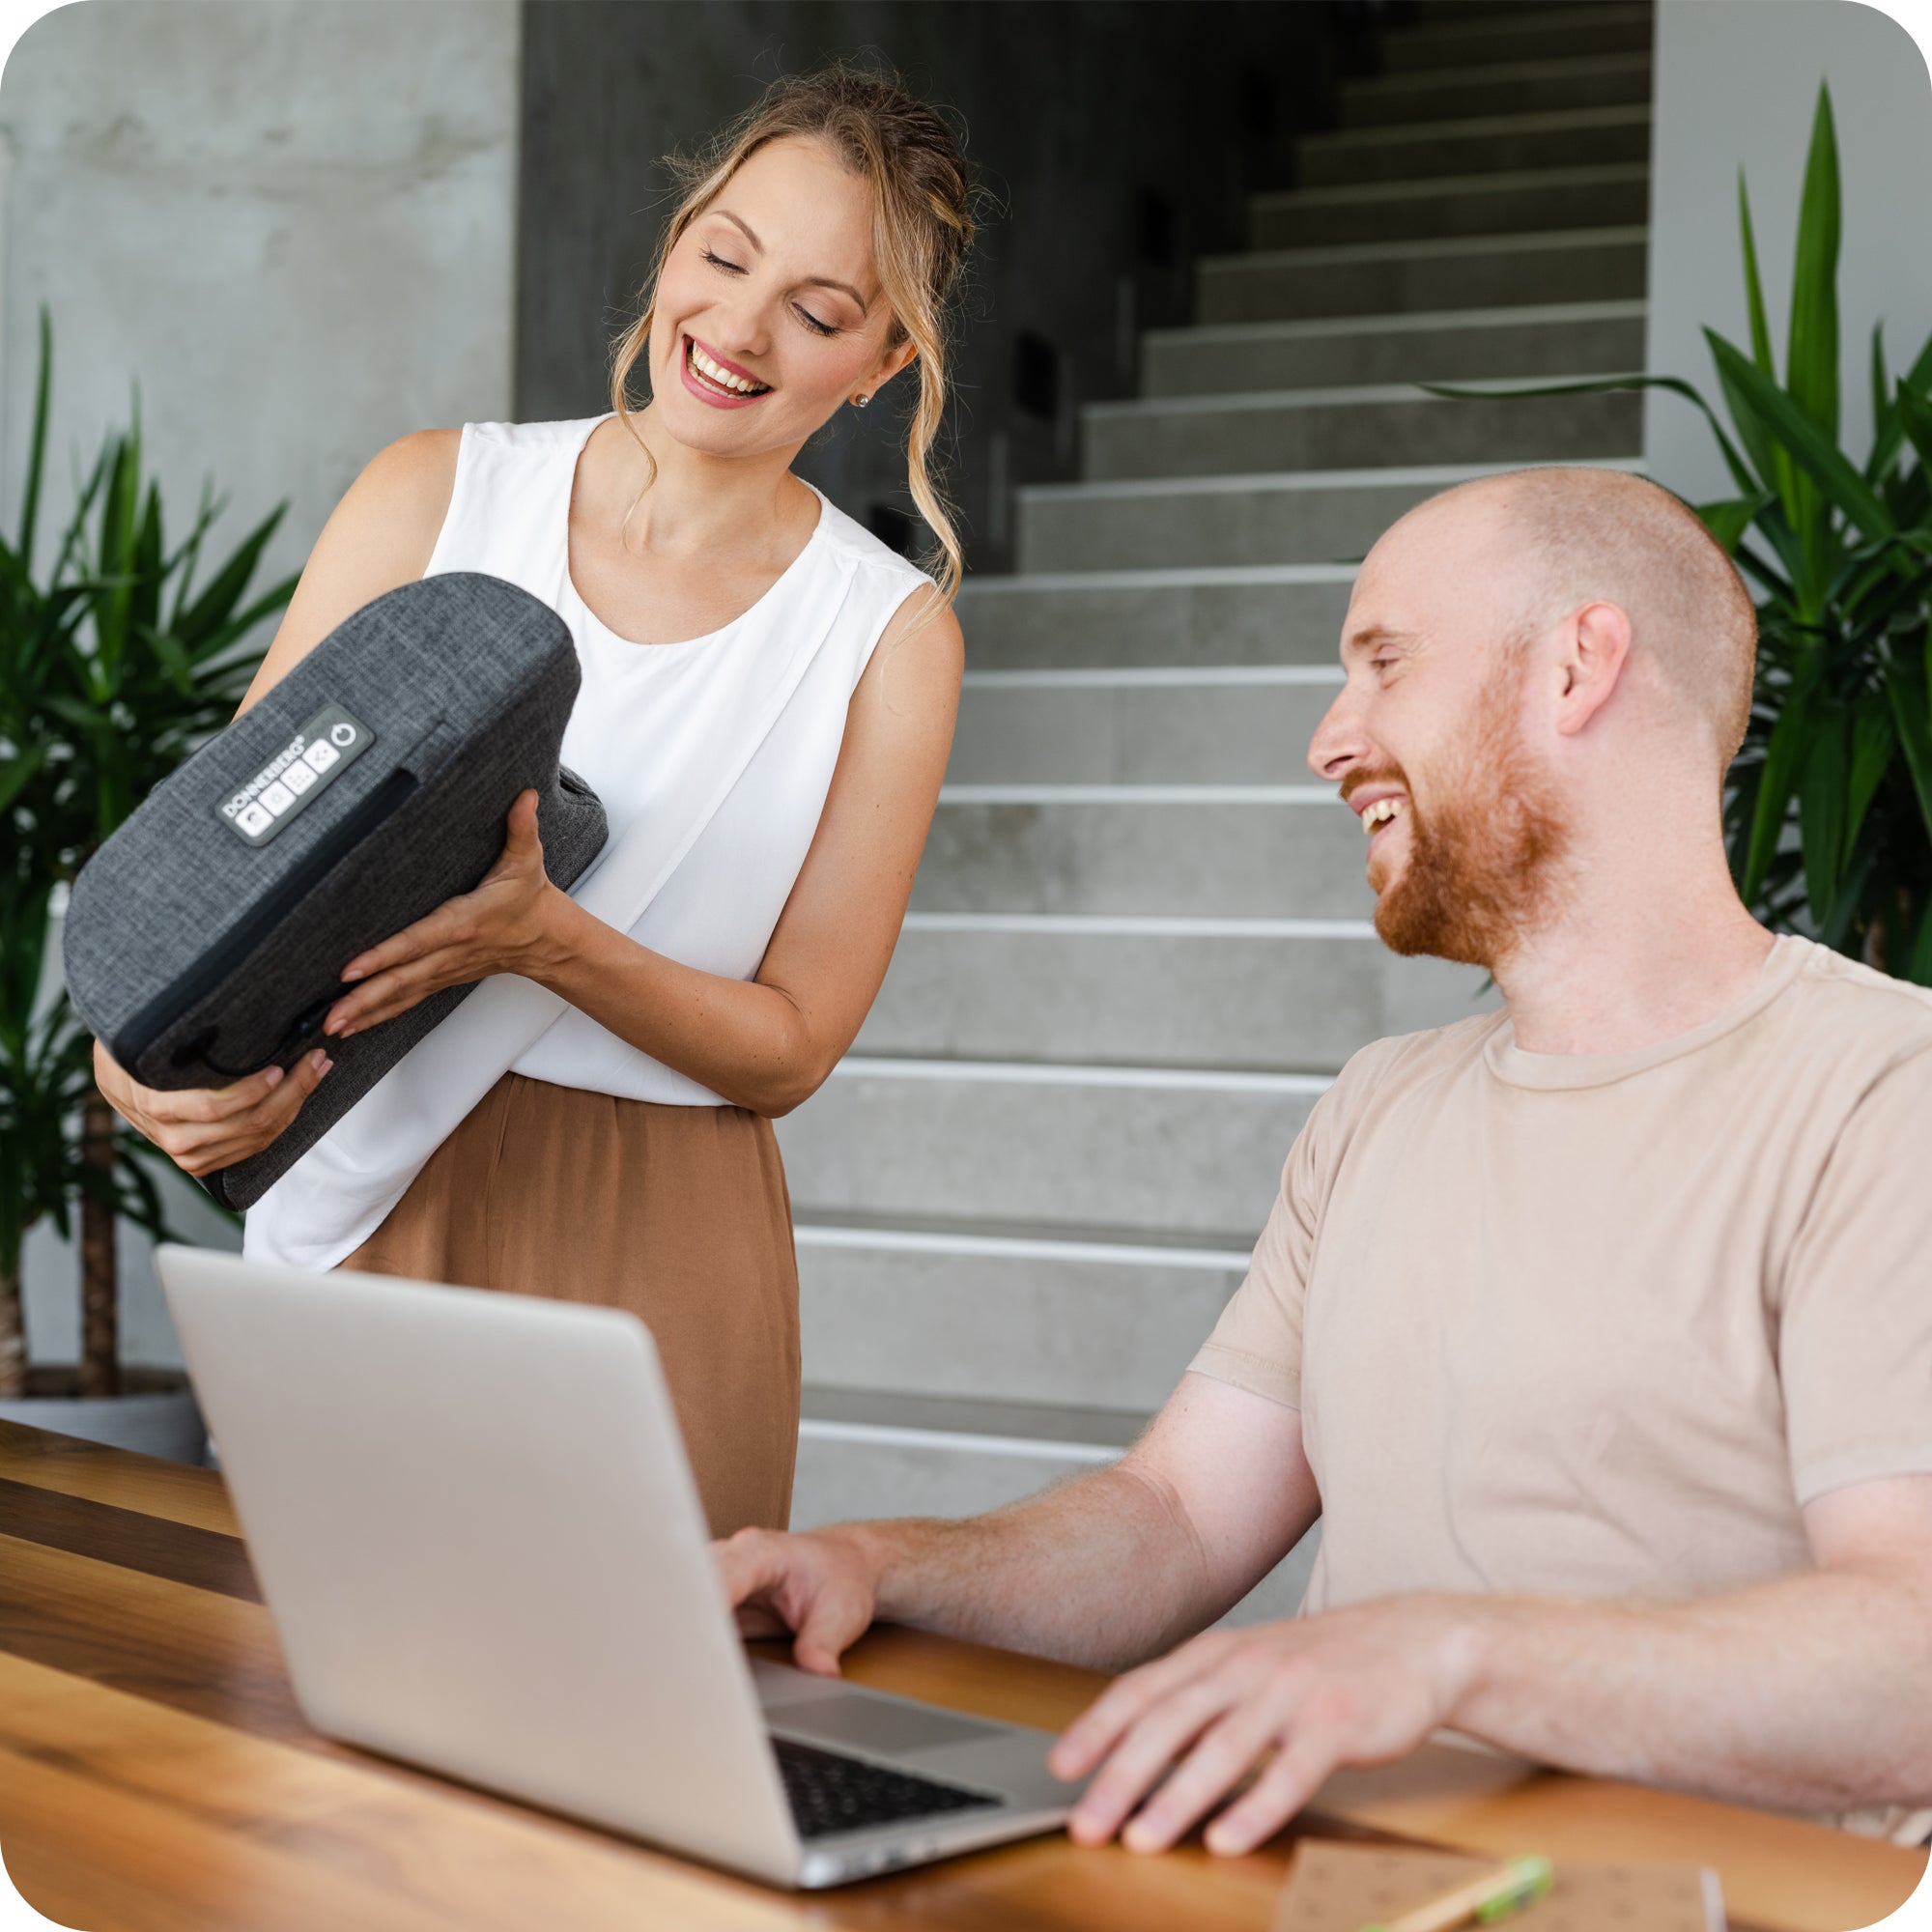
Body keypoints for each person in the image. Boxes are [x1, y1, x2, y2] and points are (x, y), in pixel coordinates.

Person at [718, 466, 1932, 1851]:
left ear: (1579, 667)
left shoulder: (1884, 1093)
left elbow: (1912, 1665)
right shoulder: (1379, 1107)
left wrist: (1451, 1658)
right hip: (1351, 1882)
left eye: (1385, 664)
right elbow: (1172, 1519)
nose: (1329, 739)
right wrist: (874, 1564)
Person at [94, 67, 974, 1539]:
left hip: (658, 1248)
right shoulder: (432, 494)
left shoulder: (886, 636)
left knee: (628, 1746)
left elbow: (792, 1045)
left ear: (880, 365)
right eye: (726, 254)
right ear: (677, 237)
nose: (740, 330)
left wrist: (543, 938)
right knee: (320, 1747)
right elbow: (221, 871)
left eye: (820, 313)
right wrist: (148, 1075)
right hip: (365, 1202)